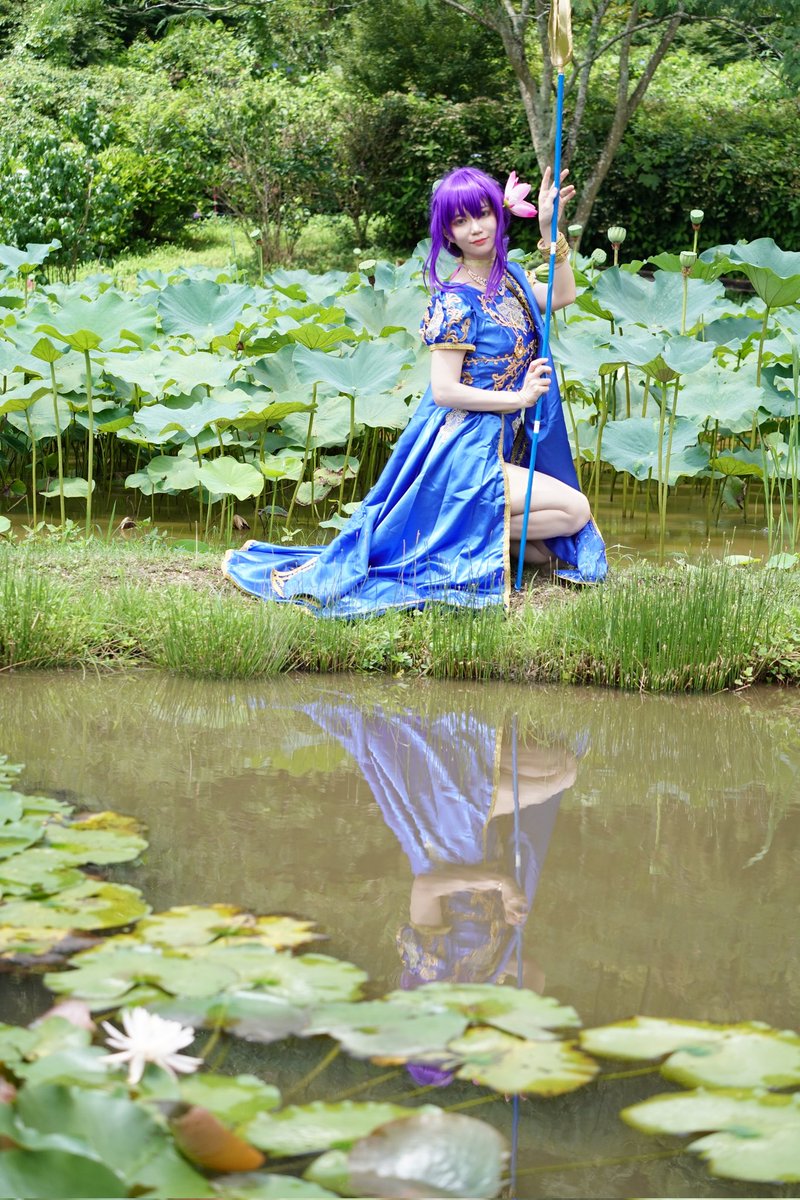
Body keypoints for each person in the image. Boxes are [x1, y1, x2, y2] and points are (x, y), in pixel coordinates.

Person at [223, 166, 606, 615]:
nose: (475, 228)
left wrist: (548, 229)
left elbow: (562, 295)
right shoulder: (454, 300)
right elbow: (444, 391)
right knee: (573, 510)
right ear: (448, 233)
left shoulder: (512, 281)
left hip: (500, 442)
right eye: (461, 221)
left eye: (482, 214)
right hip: (464, 447)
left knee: (544, 547)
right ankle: (452, 535)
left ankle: (459, 533)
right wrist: (518, 399)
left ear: (500, 215)